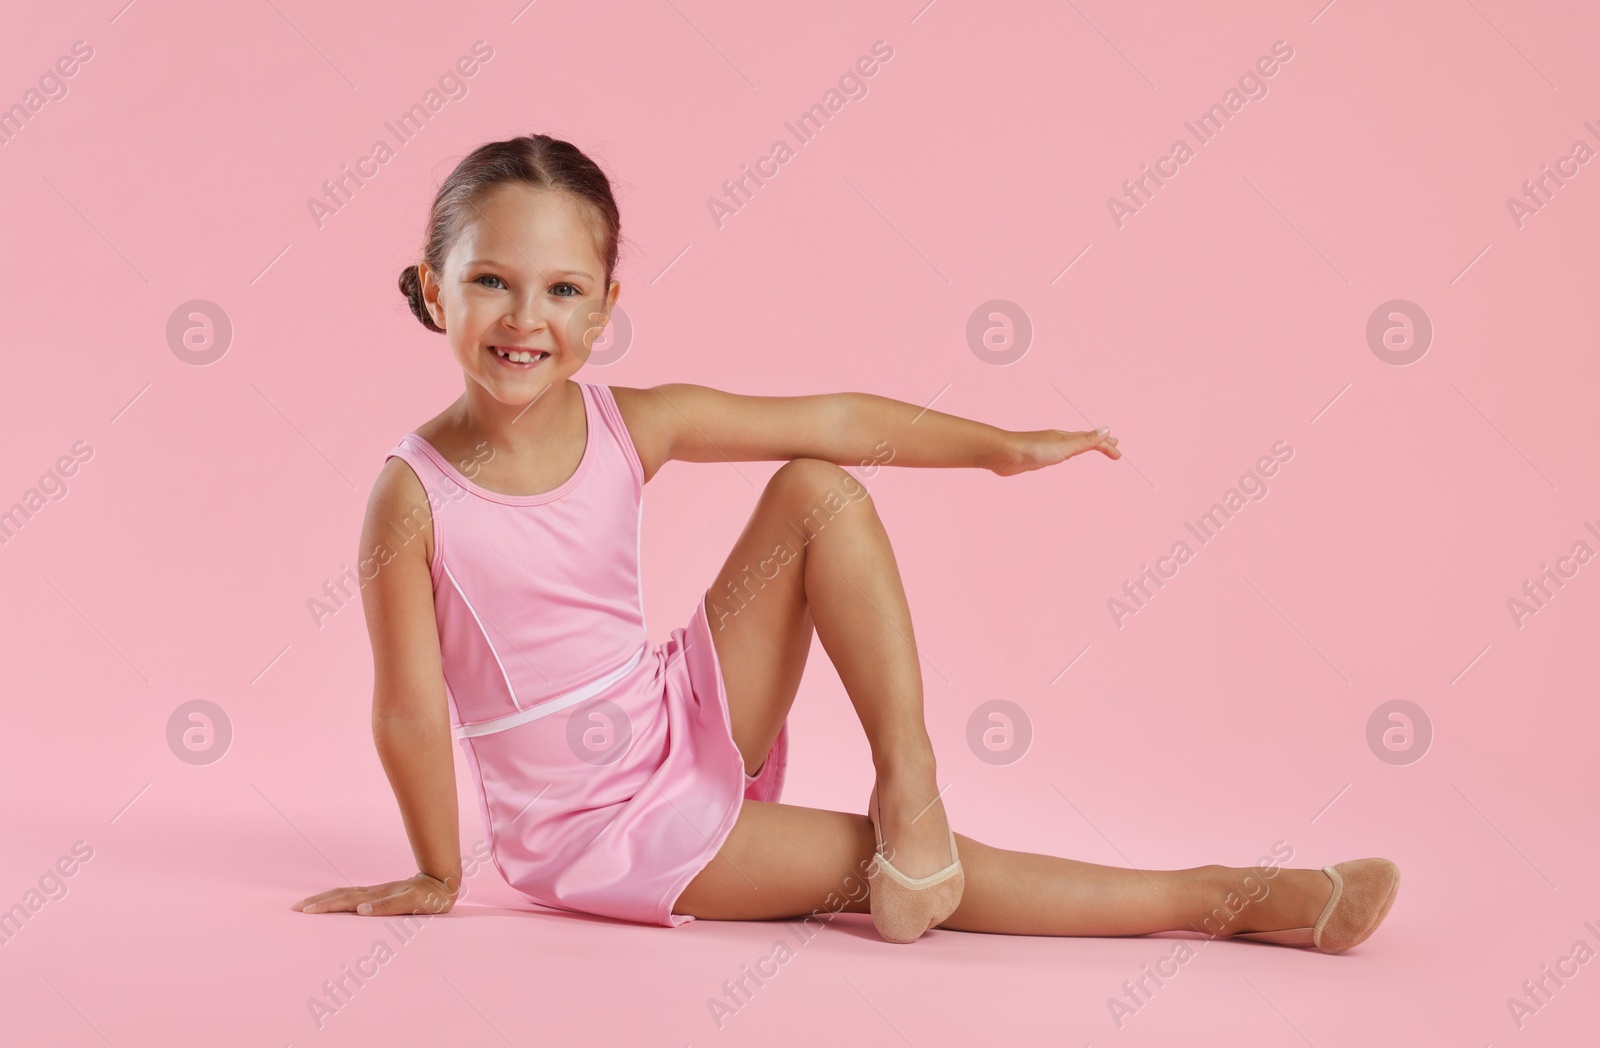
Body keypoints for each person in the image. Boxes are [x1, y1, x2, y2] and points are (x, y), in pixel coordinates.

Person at [291, 134, 1399, 950]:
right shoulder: (413, 496)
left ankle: (910, 778)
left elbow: (828, 421)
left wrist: (997, 448)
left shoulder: (634, 421)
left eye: (560, 289)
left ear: (601, 310)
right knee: (878, 873)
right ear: (435, 291)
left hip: (668, 708)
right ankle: (1234, 897)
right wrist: (439, 869)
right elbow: (406, 703)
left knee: (818, 489)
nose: (524, 318)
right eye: (491, 280)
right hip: (593, 821)